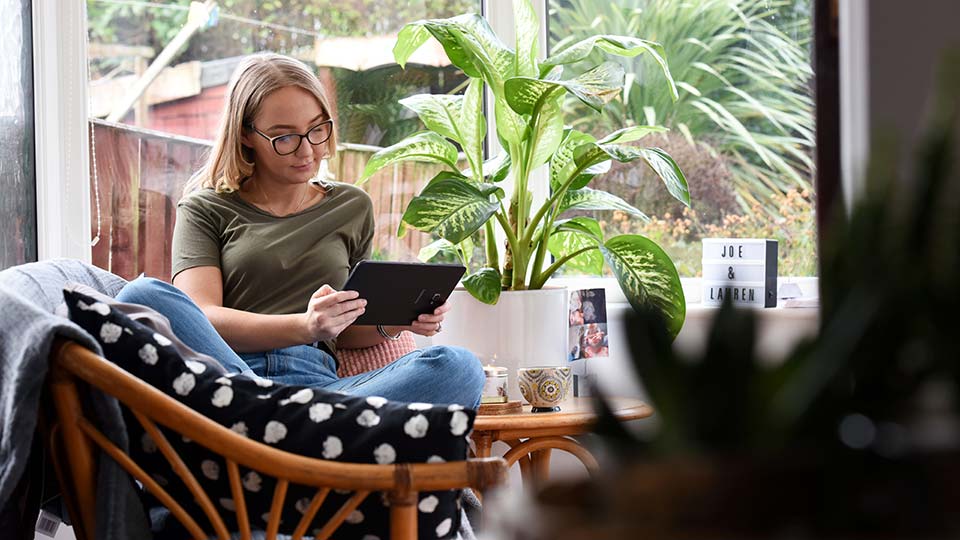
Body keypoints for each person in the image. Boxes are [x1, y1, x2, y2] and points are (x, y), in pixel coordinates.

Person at [116, 53, 484, 407]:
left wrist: (398, 322)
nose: (307, 150)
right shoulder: (205, 207)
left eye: (316, 130)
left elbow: (349, 327)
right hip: (231, 376)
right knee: (142, 294)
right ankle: (282, 422)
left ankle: (272, 426)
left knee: (459, 367)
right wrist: (305, 326)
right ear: (246, 135)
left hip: (323, 388)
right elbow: (201, 315)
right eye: (284, 136)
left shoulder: (351, 207)